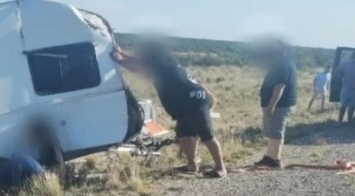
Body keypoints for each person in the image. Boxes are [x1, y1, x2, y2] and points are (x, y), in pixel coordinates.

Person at [111, 43, 227, 178]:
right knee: (184, 135)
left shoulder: (164, 67)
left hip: (195, 101)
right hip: (184, 105)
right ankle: (192, 166)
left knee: (207, 136)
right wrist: (123, 54)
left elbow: (139, 68)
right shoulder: (163, 64)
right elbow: (141, 62)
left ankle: (220, 168)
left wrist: (119, 60)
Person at [254, 40, 298, 169]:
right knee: (272, 132)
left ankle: (275, 159)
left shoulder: (282, 64)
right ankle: (270, 157)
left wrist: (271, 105)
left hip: (280, 105)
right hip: (278, 104)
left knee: (276, 132)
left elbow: (280, 86)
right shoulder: (283, 62)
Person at [334, 51, 355, 124]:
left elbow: (336, 72)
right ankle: (343, 121)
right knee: (347, 106)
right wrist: (342, 78)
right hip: (348, 88)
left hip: (351, 88)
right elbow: (336, 72)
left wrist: (342, 78)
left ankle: (344, 122)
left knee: (349, 106)